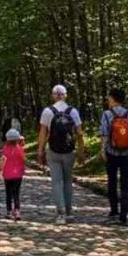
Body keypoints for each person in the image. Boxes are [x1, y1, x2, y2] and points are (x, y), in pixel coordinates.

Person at [37, 85, 85, 225]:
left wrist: (40, 150)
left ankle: (60, 213)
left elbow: (43, 132)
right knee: (68, 181)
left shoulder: (48, 111)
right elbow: (79, 133)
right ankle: (69, 212)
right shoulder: (73, 111)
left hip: (53, 151)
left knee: (56, 181)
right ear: (65, 95)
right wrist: (81, 151)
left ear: (53, 96)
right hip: (69, 151)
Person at [99, 88, 128, 225]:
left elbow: (104, 133)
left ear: (112, 98)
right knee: (125, 184)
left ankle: (114, 211)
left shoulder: (107, 114)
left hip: (111, 153)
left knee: (112, 182)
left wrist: (103, 150)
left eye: (109, 98)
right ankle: (124, 215)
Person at [0, 129, 26, 220]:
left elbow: (2, 162)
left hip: (8, 175)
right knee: (16, 193)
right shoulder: (20, 149)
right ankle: (17, 211)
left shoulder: (5, 149)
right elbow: (23, 160)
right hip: (18, 175)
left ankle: (8, 211)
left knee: (8, 193)